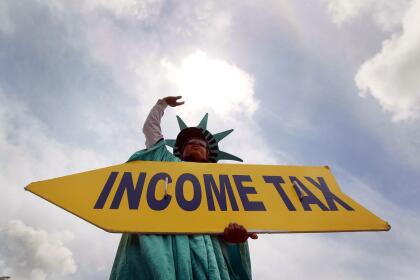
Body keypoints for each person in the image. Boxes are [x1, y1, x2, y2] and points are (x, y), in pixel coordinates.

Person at [110, 96, 257, 280]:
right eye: (189, 143)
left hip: (210, 254)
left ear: (208, 152)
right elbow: (151, 130)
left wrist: (235, 238)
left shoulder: (222, 181)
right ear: (181, 150)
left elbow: (234, 221)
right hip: (161, 245)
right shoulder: (165, 161)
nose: (195, 144)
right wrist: (161, 104)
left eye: (201, 144)